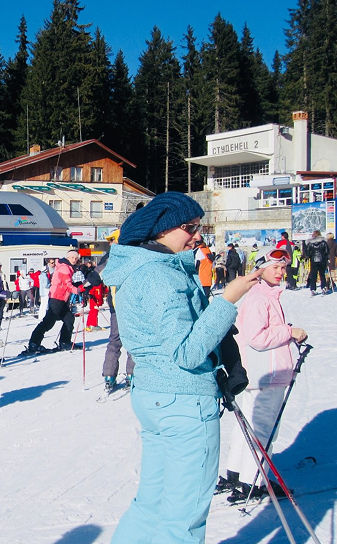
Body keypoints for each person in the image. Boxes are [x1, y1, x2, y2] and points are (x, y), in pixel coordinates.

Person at [102, 191, 260, 543]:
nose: (197, 235)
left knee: (152, 505)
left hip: (155, 396)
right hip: (183, 401)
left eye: (199, 227)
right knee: (183, 519)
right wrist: (228, 299)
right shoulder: (159, 275)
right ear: (162, 230)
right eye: (190, 227)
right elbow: (187, 352)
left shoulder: (140, 267)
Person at [216, 247, 308, 502]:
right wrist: (289, 331)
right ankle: (252, 482)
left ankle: (236, 474)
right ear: (260, 269)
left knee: (250, 427)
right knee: (264, 431)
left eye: (283, 267)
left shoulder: (263, 294)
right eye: (275, 267)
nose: (281, 272)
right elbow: (257, 337)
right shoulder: (260, 297)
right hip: (266, 375)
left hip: (259, 375)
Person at [25, 249, 85, 353]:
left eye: (76, 258)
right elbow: (67, 285)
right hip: (57, 298)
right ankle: (34, 344)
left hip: (61, 298)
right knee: (48, 322)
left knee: (69, 318)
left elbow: (66, 283)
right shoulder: (65, 268)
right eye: (72, 257)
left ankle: (65, 342)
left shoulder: (67, 267)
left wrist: (78, 285)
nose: (74, 260)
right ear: (68, 258)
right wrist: (78, 290)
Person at [98, 229, 135, 392]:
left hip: (131, 305)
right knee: (115, 340)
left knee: (131, 340)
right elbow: (97, 274)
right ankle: (109, 375)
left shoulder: (124, 255)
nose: (110, 243)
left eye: (112, 240)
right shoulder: (111, 257)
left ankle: (132, 374)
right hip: (116, 305)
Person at [303, 229, 329, 295]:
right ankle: (324, 287)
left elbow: (307, 252)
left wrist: (310, 256)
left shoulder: (310, 243)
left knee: (313, 275)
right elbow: (327, 251)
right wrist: (325, 257)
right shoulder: (323, 242)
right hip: (322, 260)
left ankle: (313, 289)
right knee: (322, 275)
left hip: (314, 261)